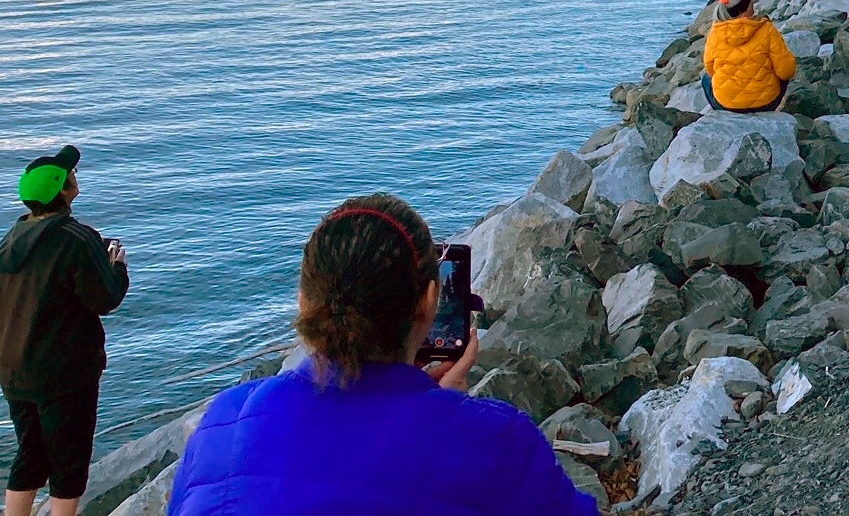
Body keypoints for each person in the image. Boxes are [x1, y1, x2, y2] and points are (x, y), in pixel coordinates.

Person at [168, 193, 597, 516]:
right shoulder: (498, 439)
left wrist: (438, 409)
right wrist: (453, 415)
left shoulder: (220, 425)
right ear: (430, 301)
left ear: (304, 303)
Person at [0, 144, 130, 516]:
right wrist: (117, 267)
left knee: (30, 455)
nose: (75, 178)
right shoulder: (75, 237)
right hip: (63, 372)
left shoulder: (10, 240)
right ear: (65, 190)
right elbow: (104, 299)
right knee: (69, 462)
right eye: (71, 176)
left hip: (14, 369)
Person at [700, 0, 796, 112]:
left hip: (726, 105)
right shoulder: (766, 29)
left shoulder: (715, 32)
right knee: (782, 69)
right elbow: (786, 71)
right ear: (746, 9)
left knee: (706, 79)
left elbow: (711, 69)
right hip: (766, 103)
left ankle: (724, 115)